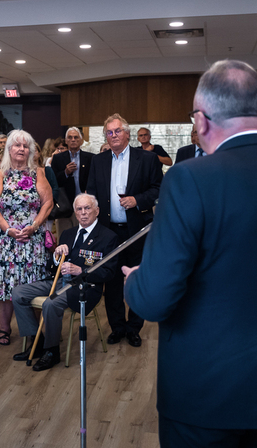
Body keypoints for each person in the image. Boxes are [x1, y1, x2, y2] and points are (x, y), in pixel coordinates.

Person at [124, 59, 257, 447]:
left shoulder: (189, 179)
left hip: (203, 391)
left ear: (201, 122)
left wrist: (135, 279)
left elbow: (153, 300)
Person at [12, 194, 118, 371]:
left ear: (97, 211)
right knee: (18, 293)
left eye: (88, 208)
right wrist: (56, 257)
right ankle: (37, 341)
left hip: (84, 287)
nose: (83, 213)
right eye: (79, 209)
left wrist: (81, 271)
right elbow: (53, 268)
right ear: (75, 212)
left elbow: (109, 272)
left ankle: (51, 351)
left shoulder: (108, 237)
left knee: (50, 304)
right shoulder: (68, 233)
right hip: (60, 281)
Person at [86, 113, 162, 348]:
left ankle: (134, 327)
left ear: (127, 133)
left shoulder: (147, 159)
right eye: (109, 132)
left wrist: (137, 200)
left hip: (137, 230)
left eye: (117, 131)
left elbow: (158, 189)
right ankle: (118, 327)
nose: (114, 135)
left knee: (136, 279)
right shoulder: (98, 161)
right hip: (108, 232)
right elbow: (90, 193)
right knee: (112, 281)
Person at [0, 130, 53, 346]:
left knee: (31, 284)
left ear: (31, 150)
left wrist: (34, 226)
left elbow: (48, 203)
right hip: (5, 241)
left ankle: (35, 332)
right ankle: (4, 329)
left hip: (32, 241)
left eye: (25, 146)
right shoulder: (0, 174)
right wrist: (7, 229)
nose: (21, 149)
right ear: (9, 149)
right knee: (5, 286)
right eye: (17, 145)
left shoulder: (39, 173)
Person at [51, 127, 93, 232]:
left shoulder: (91, 158)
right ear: (66, 141)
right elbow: (53, 181)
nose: (73, 140)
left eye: (76, 137)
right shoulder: (58, 158)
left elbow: (94, 179)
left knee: (84, 236)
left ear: (81, 140)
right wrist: (65, 172)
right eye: (70, 137)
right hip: (64, 206)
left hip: (85, 205)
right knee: (65, 238)